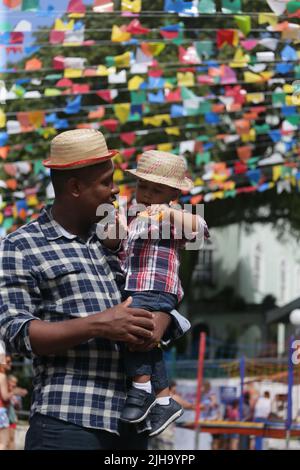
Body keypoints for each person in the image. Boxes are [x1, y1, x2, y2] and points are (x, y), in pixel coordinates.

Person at [0, 129, 189, 450]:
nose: (116, 190)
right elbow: (16, 334)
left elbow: (158, 289)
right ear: (74, 187)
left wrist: (162, 321)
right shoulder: (21, 246)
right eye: (105, 182)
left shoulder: (123, 238)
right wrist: (100, 324)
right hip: (69, 422)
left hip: (133, 427)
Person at [102, 150, 208, 438]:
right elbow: (113, 240)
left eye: (156, 189)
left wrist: (169, 211)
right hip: (135, 286)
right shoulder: (134, 217)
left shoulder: (174, 217)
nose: (147, 193)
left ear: (173, 193)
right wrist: (111, 215)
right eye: (143, 186)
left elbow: (200, 231)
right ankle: (163, 399)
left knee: (131, 333)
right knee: (147, 341)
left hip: (158, 287)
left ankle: (140, 389)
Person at [150, 380, 195, 450]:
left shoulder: (155, 395)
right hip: (165, 431)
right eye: (175, 387)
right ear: (172, 387)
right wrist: (199, 406)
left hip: (153, 429)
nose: (176, 389)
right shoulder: (170, 396)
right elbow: (188, 406)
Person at [7, 375, 28, 450]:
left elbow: (18, 408)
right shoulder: (4, 390)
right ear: (8, 382)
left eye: (16, 383)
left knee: (11, 439)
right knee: (4, 440)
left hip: (12, 419)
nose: (14, 384)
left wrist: (17, 403)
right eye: (13, 382)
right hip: (3, 419)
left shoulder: (17, 395)